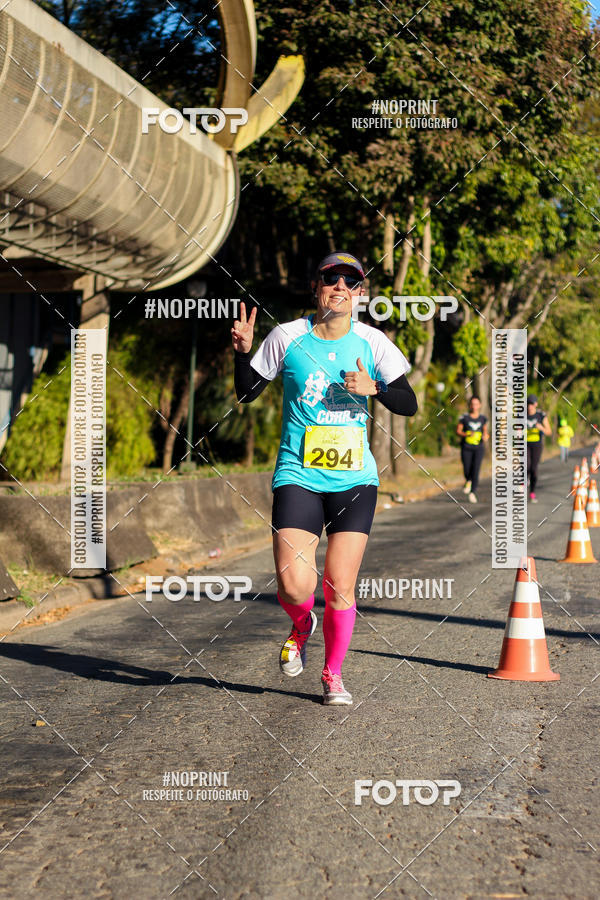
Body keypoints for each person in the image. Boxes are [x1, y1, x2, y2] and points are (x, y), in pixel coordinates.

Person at [232, 251, 417, 706]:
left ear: (360, 294)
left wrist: (376, 388)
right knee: (295, 586)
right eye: (330, 279)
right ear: (316, 288)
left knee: (339, 584)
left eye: (349, 282)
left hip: (355, 479)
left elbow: (408, 403)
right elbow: (248, 392)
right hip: (298, 473)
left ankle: (333, 674)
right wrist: (240, 353)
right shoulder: (287, 337)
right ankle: (300, 624)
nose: (339, 287)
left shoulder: (373, 343)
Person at [456, 396, 488, 503]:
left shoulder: (483, 418)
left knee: (476, 470)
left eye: (476, 404)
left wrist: (485, 436)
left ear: (480, 405)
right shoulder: (465, 418)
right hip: (466, 447)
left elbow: (485, 432)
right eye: (472, 404)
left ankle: (473, 492)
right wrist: (467, 434)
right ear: (470, 405)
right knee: (467, 468)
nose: (474, 406)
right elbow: (458, 431)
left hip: (479, 448)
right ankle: (468, 480)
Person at [526, 394, 551, 502]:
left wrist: (541, 428)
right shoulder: (521, 415)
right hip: (524, 444)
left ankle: (532, 492)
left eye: (531, 404)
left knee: (534, 469)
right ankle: (524, 481)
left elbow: (549, 432)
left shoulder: (541, 415)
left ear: (535, 404)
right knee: (526, 464)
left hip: (537, 445)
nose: (529, 406)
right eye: (528, 404)